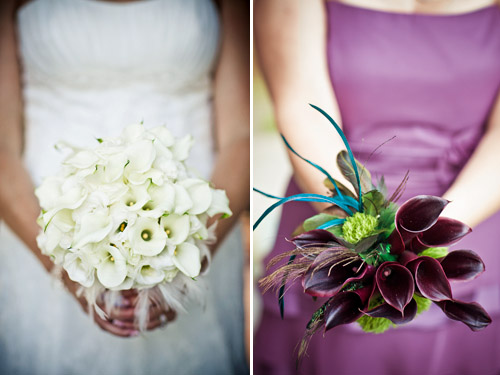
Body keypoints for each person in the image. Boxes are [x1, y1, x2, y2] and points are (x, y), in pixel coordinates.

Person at [0, 0, 249, 374]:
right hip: (39, 230)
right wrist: (65, 266)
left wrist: (192, 249)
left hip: (197, 226)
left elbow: (241, 136)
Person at [254, 0, 500, 374]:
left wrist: (419, 243)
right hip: (336, 214)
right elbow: (300, 100)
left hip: (475, 222)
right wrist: (368, 233)